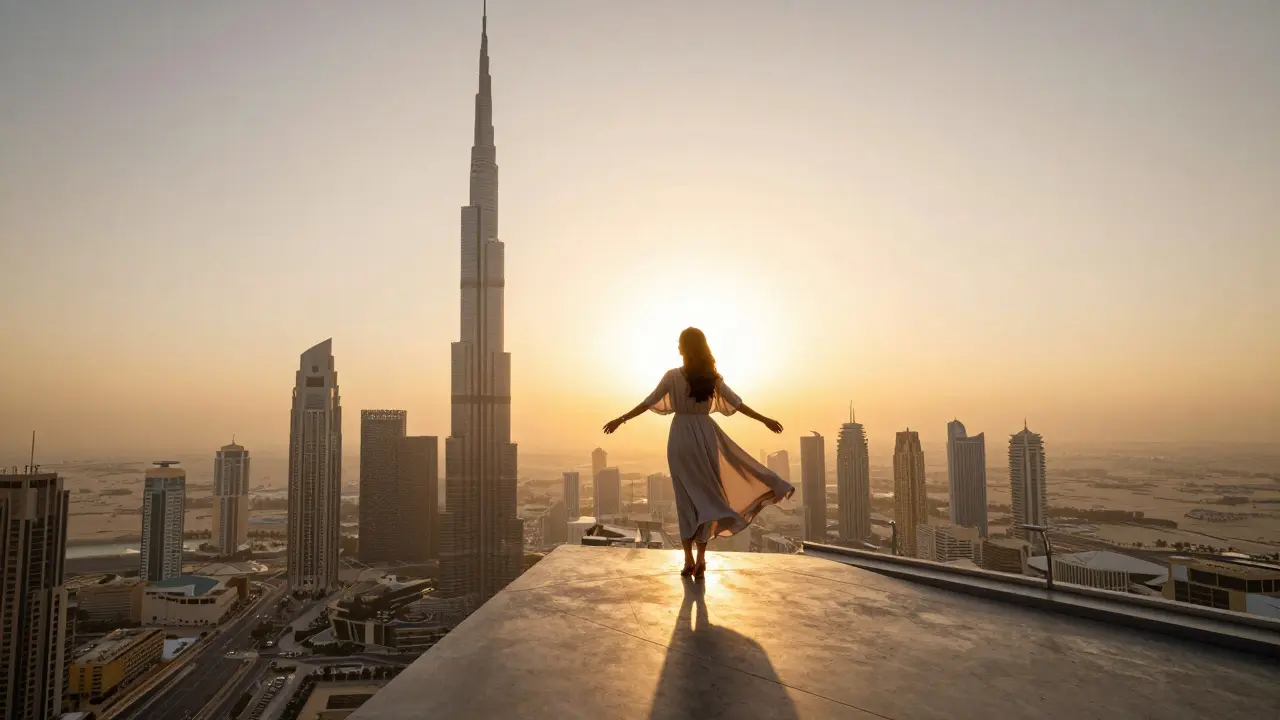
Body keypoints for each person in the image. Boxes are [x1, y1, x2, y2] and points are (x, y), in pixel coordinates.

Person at [603, 327, 794, 577]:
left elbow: (648, 401)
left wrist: (621, 419)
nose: (677, 347)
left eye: (679, 343)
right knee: (706, 497)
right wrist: (764, 420)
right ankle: (701, 560)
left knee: (685, 499)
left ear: (684, 347)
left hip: (680, 438)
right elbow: (738, 403)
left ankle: (688, 560)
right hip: (705, 437)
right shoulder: (711, 378)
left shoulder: (672, 376)